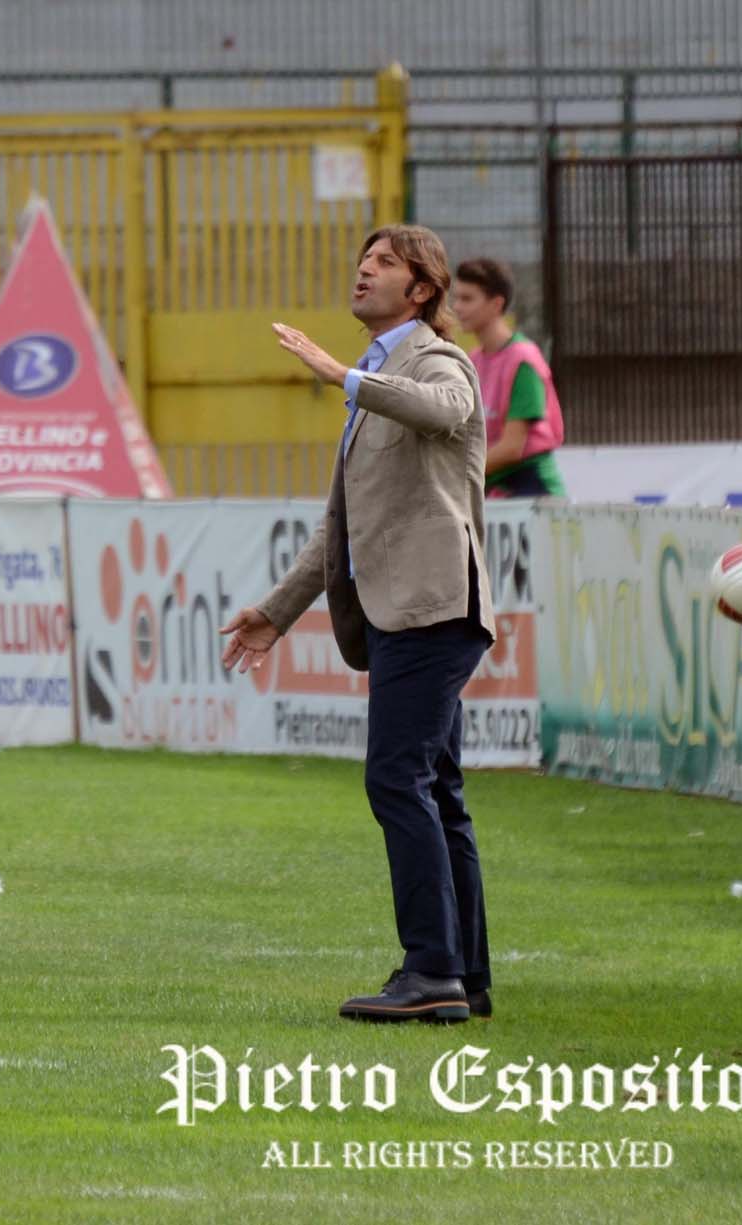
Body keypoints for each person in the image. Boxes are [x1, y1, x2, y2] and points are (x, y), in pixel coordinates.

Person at [219, 225, 496, 1024]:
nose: (363, 271)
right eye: (363, 260)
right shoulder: (376, 375)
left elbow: (447, 409)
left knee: (396, 778)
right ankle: (463, 974)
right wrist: (276, 611)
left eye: (383, 263)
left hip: (431, 607)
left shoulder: (437, 360)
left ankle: (432, 968)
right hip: (411, 610)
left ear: (422, 290)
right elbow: (340, 529)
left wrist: (342, 374)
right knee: (435, 788)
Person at [450, 257, 567, 498]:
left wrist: (452, 475)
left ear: (496, 304)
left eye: (467, 299)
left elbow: (512, 448)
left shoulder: (523, 359)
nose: (457, 307)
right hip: (491, 489)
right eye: (456, 298)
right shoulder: (473, 361)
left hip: (532, 492)